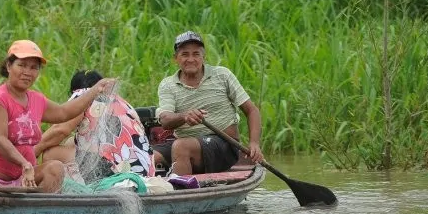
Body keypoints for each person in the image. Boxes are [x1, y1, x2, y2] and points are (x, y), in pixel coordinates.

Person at [0, 41, 116, 192]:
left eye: (34, 67)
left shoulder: (36, 99)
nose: (27, 72)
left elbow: (64, 112)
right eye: (21, 65)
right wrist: (25, 164)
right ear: (9, 66)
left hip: (23, 179)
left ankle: (39, 213)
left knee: (55, 169)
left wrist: (96, 89)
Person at [153, 30, 263, 175]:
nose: (190, 59)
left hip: (224, 145)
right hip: (186, 143)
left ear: (204, 57)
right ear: (176, 59)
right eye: (185, 54)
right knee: (146, 157)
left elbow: (251, 110)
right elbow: (166, 120)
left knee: (181, 147)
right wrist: (184, 116)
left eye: (196, 54)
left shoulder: (222, 75)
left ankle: (184, 193)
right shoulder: (168, 85)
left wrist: (254, 143)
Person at [35, 69, 154, 179]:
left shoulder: (85, 95)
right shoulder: (122, 103)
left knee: (50, 154)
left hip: (116, 171)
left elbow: (60, 130)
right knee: (71, 141)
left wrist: (31, 152)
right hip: (143, 172)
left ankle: (64, 193)